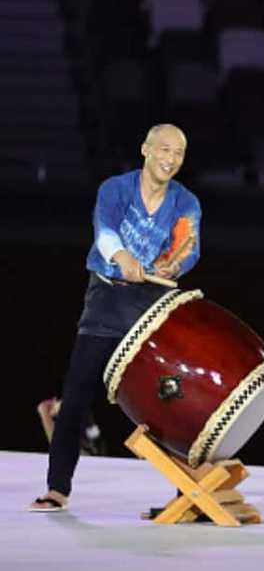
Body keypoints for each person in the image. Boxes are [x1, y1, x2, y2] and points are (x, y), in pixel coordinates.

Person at [29, 124, 201, 512]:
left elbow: (188, 247)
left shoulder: (186, 202)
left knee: (169, 401)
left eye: (179, 153)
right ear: (146, 149)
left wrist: (173, 265)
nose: (171, 159)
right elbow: (105, 232)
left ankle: (185, 498)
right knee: (75, 396)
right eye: (164, 150)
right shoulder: (115, 189)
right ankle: (57, 489)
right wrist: (122, 258)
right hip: (107, 296)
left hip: (151, 303)